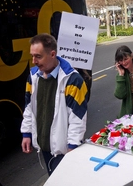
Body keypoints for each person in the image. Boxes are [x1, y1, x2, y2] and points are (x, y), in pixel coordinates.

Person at [20, 33, 88, 176]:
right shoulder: (33, 77)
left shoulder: (73, 80)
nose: (33, 61)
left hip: (64, 151)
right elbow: (28, 108)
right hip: (45, 148)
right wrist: (27, 133)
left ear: (52, 54)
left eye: (38, 56)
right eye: (32, 56)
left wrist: (73, 146)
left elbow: (78, 118)